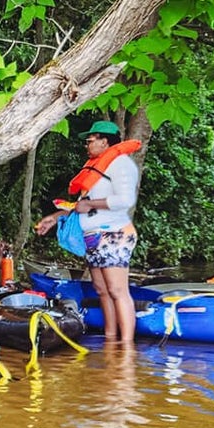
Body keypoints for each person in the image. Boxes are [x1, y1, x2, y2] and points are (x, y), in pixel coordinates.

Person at [35, 120, 140, 345]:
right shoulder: (97, 166)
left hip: (115, 234)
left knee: (117, 289)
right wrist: (53, 218)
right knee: (102, 290)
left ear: (105, 141)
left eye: (90, 141)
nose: (87, 145)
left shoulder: (121, 163)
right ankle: (111, 339)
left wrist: (93, 205)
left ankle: (127, 346)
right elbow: (80, 206)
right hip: (93, 236)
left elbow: (125, 200)